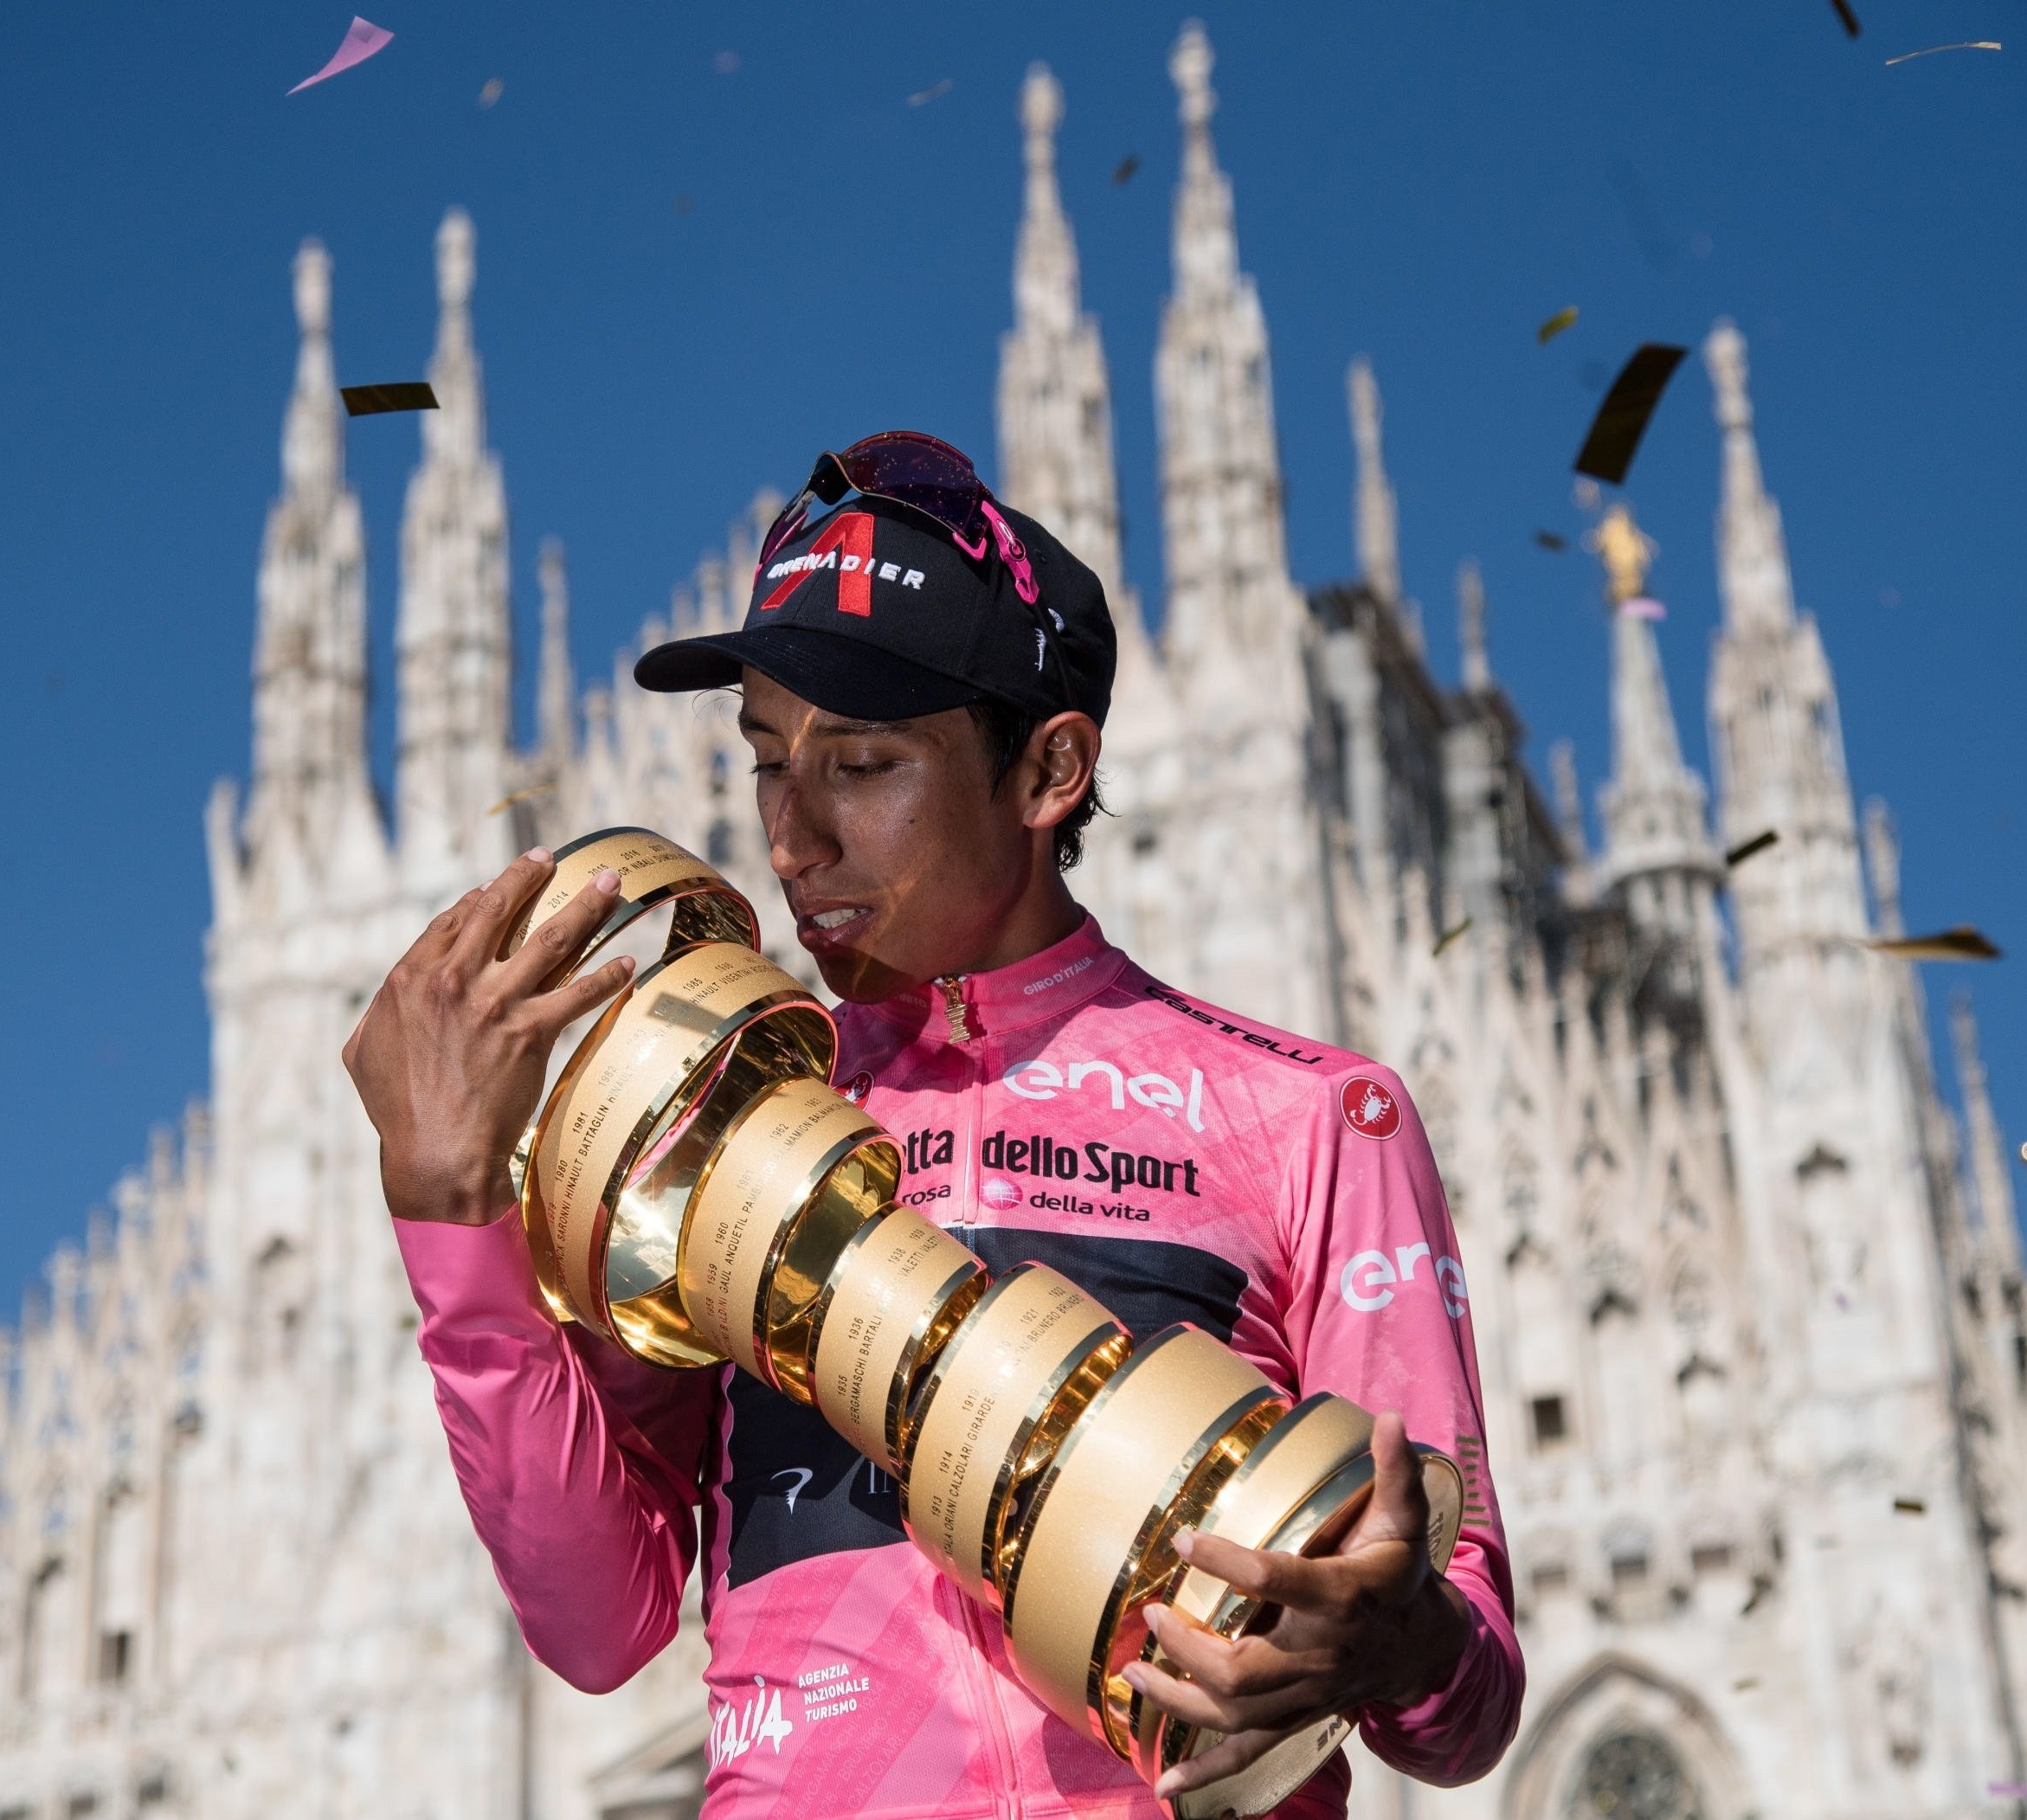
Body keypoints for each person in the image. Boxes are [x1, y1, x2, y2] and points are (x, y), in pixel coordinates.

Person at [343, 433, 1522, 1817]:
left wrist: (1403, 1642)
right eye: (767, 761)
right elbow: (597, 1621)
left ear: (1048, 771)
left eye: (863, 764)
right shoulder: (714, 1112)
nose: (790, 839)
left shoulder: (1312, 1119)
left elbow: (1466, 1703)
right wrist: (450, 1211)